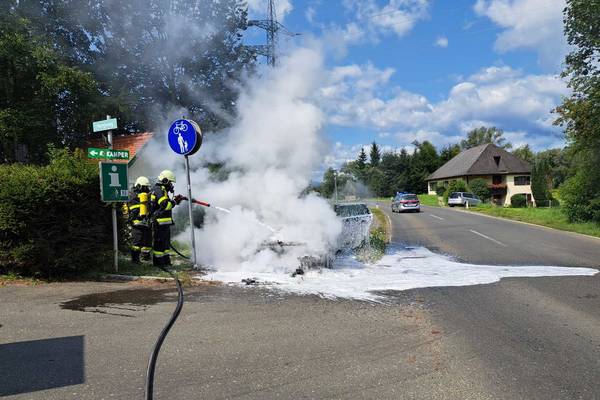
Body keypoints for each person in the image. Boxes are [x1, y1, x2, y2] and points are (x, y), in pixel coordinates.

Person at [150, 170, 185, 266]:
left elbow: (166, 203)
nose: (171, 185)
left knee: (165, 244)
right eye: (170, 182)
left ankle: (166, 261)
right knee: (159, 243)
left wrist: (174, 200)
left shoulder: (163, 190)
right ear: (165, 181)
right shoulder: (158, 190)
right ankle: (158, 263)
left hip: (164, 223)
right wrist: (174, 202)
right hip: (159, 222)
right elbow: (165, 205)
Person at [125, 176, 152, 263]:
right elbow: (134, 209)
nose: (146, 189)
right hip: (137, 223)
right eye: (145, 187)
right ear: (139, 186)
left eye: (147, 187)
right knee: (137, 242)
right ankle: (135, 259)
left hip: (146, 222)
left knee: (147, 241)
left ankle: (146, 257)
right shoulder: (133, 196)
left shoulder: (146, 195)